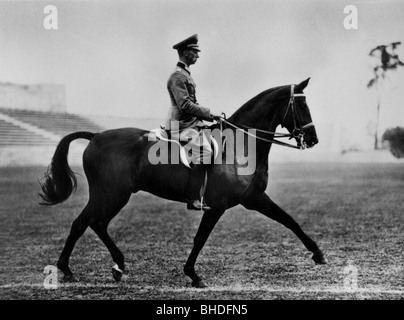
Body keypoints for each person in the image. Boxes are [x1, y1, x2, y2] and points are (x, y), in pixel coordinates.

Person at [166, 34, 220, 211]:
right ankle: (193, 198)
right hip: (181, 125)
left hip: (190, 123)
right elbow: (185, 105)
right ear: (185, 52)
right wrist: (208, 114)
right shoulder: (178, 77)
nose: (198, 55)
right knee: (206, 152)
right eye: (195, 51)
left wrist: (209, 117)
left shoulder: (186, 75)